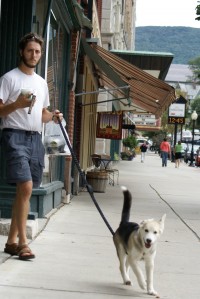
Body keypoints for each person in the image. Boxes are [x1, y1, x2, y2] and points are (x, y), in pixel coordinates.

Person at [0, 32, 63, 260]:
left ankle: (10, 242)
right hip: (14, 136)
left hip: (35, 138)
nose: (34, 54)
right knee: (26, 188)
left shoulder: (41, 83)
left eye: (37, 51)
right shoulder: (9, 79)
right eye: (30, 50)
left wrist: (53, 116)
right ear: (21, 52)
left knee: (24, 191)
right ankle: (24, 243)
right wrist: (16, 104)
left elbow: (42, 114)